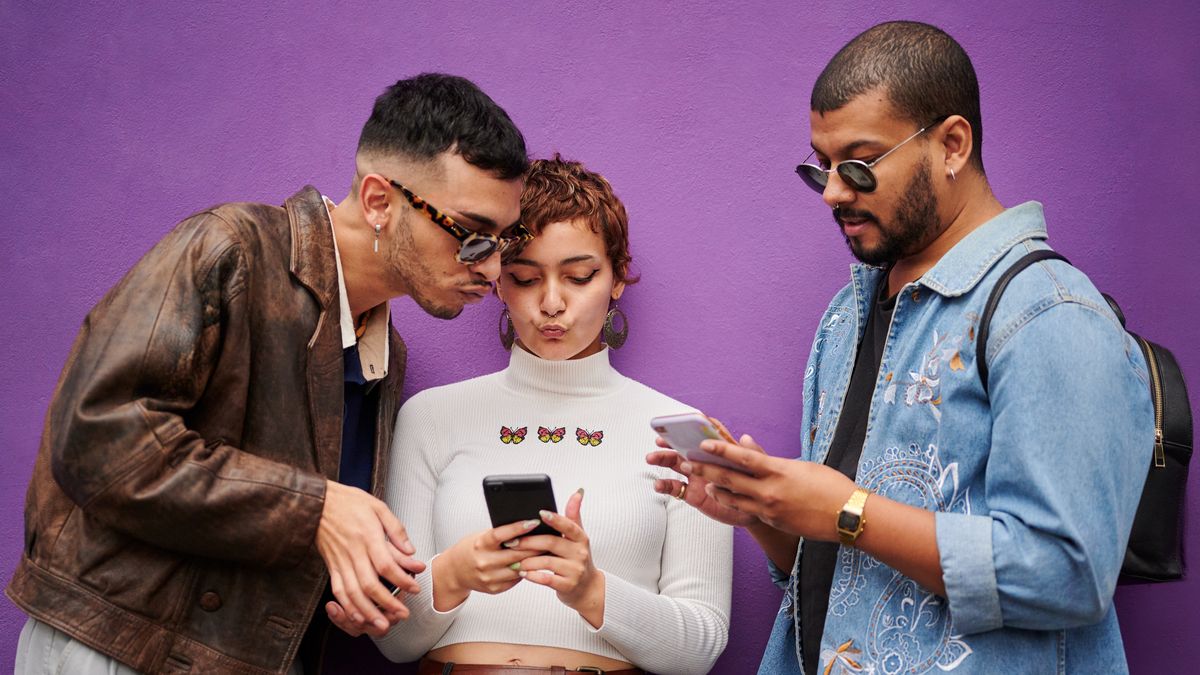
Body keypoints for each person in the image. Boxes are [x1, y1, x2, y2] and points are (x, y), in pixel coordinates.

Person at [649, 21, 1153, 675]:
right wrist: (765, 510)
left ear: (951, 144)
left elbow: (1068, 573)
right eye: (821, 166)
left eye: (857, 164)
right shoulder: (846, 315)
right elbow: (845, 568)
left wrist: (845, 509)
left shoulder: (1050, 314)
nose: (832, 191)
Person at [7, 73, 529, 675]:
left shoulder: (386, 351)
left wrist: (351, 590)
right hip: (124, 649)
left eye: (502, 242)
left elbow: (279, 529)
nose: (492, 269)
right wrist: (319, 510)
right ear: (381, 201)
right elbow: (97, 440)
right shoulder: (230, 248)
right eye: (471, 237)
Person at [328, 156, 732, 674]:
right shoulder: (431, 415)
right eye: (524, 278)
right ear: (497, 280)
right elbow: (396, 641)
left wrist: (591, 590)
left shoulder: (683, 430)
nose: (552, 303)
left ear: (617, 280)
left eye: (580, 276)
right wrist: (454, 574)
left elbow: (701, 648)